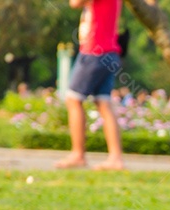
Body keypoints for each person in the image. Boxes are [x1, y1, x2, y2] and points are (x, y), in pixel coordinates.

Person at [55, 0, 124, 171]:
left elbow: (75, 3)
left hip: (95, 51)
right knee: (103, 103)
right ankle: (115, 158)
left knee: (73, 99)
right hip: (109, 52)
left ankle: (78, 154)